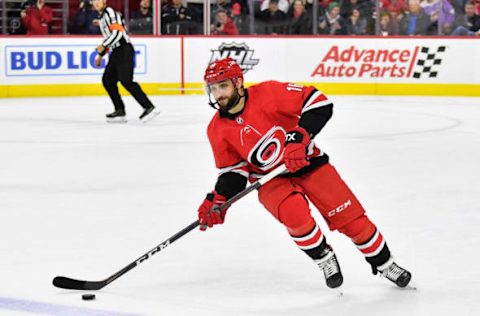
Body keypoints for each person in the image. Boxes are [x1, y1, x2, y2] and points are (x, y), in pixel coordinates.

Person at [197, 57, 412, 289]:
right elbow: (234, 171)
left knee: (353, 221)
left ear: (238, 83)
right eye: (213, 88)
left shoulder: (269, 92)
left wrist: (299, 136)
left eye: (223, 86)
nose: (218, 94)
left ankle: (385, 264)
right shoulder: (216, 129)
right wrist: (220, 197)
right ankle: (324, 258)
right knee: (295, 216)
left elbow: (318, 102)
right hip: (270, 181)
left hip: (309, 163)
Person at [92, 0, 158, 123]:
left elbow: (118, 33)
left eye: (98, 0)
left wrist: (103, 45)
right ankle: (120, 110)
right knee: (108, 80)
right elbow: (110, 37)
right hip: (116, 52)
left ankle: (148, 107)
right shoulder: (102, 17)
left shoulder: (110, 12)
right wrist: (101, 55)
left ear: (104, 1)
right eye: (94, 1)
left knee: (126, 81)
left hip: (124, 50)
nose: (96, 3)